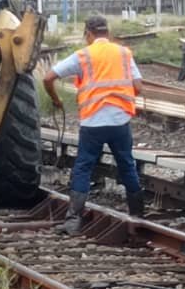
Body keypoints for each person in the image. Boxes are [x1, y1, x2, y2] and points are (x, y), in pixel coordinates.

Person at [42, 15, 145, 236]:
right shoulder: (124, 53)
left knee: (83, 168)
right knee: (127, 165)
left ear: (88, 34)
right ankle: (138, 216)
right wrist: (121, 96)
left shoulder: (83, 55)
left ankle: (73, 222)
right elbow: (138, 85)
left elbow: (48, 77)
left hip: (93, 122)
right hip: (120, 121)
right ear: (106, 32)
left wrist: (56, 100)